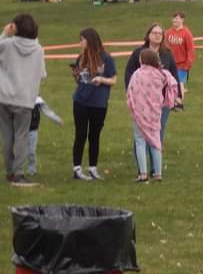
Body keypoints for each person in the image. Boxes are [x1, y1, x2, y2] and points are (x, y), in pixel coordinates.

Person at [124, 23, 182, 172]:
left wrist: (178, 97)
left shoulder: (167, 54)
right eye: (154, 32)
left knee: (157, 134)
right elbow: (129, 73)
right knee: (140, 135)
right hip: (141, 102)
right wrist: (131, 93)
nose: (157, 35)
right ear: (148, 35)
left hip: (161, 102)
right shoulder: (139, 53)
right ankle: (141, 169)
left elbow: (174, 75)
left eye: (160, 33)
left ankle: (155, 170)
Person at [0, 14, 47, 187]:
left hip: (4, 97)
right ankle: (18, 173)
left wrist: (4, 34)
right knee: (21, 136)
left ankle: (9, 171)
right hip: (25, 99)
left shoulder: (7, 44)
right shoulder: (39, 50)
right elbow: (42, 75)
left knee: (7, 137)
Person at [71, 28, 117, 181]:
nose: (80, 43)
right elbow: (80, 80)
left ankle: (92, 168)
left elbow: (113, 80)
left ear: (90, 40)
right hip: (81, 101)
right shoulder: (81, 58)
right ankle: (77, 168)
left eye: (82, 40)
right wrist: (76, 75)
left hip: (99, 103)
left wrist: (101, 80)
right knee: (80, 134)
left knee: (94, 136)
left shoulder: (106, 58)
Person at [126, 49, 179, 182]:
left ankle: (143, 174)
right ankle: (158, 173)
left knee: (140, 141)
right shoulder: (161, 74)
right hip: (155, 112)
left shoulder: (137, 74)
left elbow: (130, 91)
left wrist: (131, 106)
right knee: (155, 141)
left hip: (139, 113)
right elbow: (173, 85)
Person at [26, 97, 62, 177]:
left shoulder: (37, 100)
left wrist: (57, 119)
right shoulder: (19, 97)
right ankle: (16, 171)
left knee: (31, 152)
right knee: (18, 151)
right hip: (20, 130)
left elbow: (47, 111)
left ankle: (32, 171)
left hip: (33, 130)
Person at [165, 12, 196, 99]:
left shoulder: (186, 33)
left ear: (182, 20)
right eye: (174, 18)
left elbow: (190, 49)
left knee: (179, 82)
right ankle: (171, 100)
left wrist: (188, 63)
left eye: (177, 18)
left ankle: (179, 102)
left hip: (182, 64)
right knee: (169, 83)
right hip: (170, 63)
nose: (175, 20)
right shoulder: (168, 33)